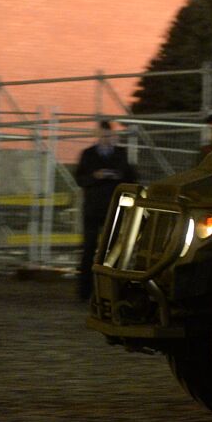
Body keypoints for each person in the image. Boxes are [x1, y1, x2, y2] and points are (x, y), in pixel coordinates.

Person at [74, 120, 137, 301]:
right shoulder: (88, 155)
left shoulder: (120, 154)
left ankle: (111, 290)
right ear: (98, 135)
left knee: (113, 250)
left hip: (114, 208)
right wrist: (95, 176)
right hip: (93, 209)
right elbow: (80, 179)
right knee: (89, 249)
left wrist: (119, 177)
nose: (106, 139)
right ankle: (85, 291)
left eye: (108, 136)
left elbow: (131, 177)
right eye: (103, 136)